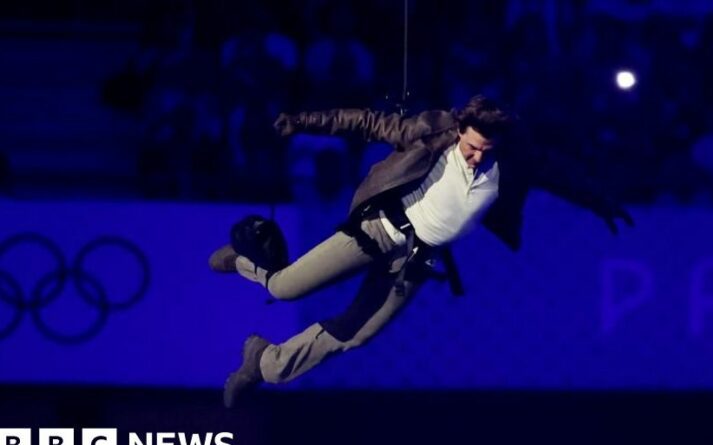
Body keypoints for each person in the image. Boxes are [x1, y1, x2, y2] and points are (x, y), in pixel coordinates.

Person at [212, 95, 633, 407]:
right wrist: (304, 121)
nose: (474, 158)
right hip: (376, 231)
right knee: (286, 288)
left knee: (359, 333)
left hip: (414, 259)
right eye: (470, 148)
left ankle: (264, 362)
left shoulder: (510, 162)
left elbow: (559, 175)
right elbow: (365, 123)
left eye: (485, 152)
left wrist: (600, 202)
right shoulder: (432, 132)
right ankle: (242, 260)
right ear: (460, 132)